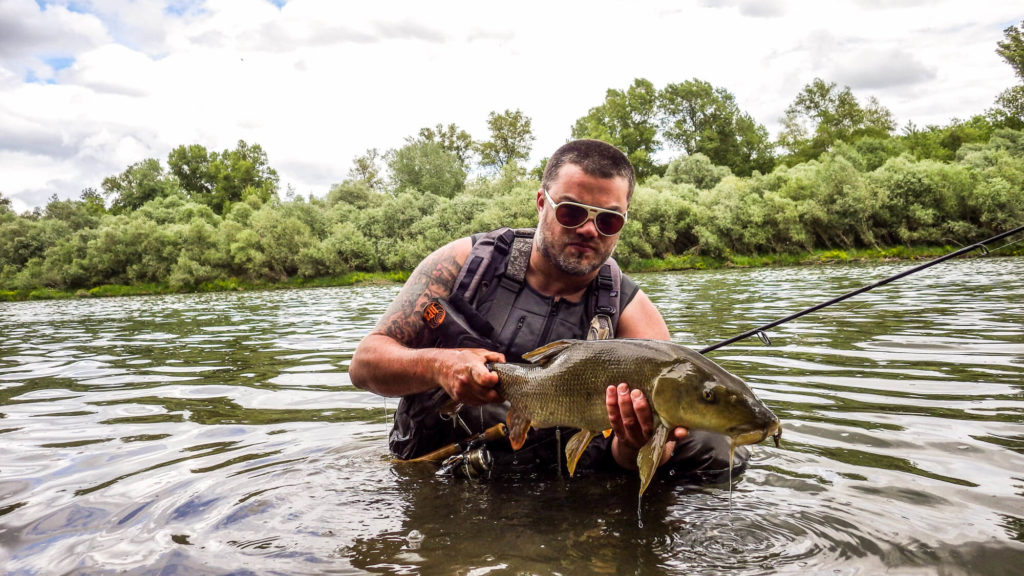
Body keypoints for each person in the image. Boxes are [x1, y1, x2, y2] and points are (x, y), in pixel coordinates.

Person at [350, 139, 743, 478]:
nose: (589, 230)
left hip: (552, 487)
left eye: (608, 220)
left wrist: (632, 443)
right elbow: (365, 365)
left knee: (715, 448)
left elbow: (632, 459)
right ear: (541, 203)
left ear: (623, 223)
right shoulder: (465, 263)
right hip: (434, 467)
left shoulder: (634, 316)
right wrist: (440, 365)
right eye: (571, 212)